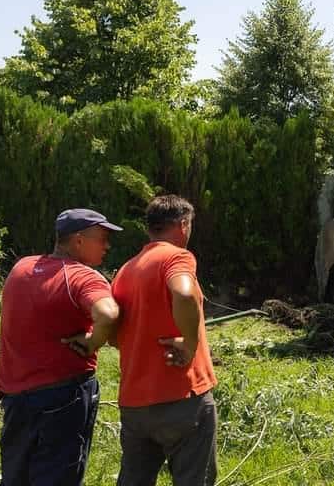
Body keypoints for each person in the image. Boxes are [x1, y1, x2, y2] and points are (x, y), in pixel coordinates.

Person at [0, 208, 122, 486]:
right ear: (78, 240)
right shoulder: (81, 276)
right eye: (101, 238)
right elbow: (108, 313)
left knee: (16, 476)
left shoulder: (21, 268)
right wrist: (93, 341)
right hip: (63, 397)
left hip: (16, 397)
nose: (107, 246)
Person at [111, 195, 217, 486]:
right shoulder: (177, 257)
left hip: (134, 403)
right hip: (180, 397)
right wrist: (191, 343)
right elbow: (183, 293)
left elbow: (111, 327)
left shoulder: (125, 270)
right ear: (183, 225)